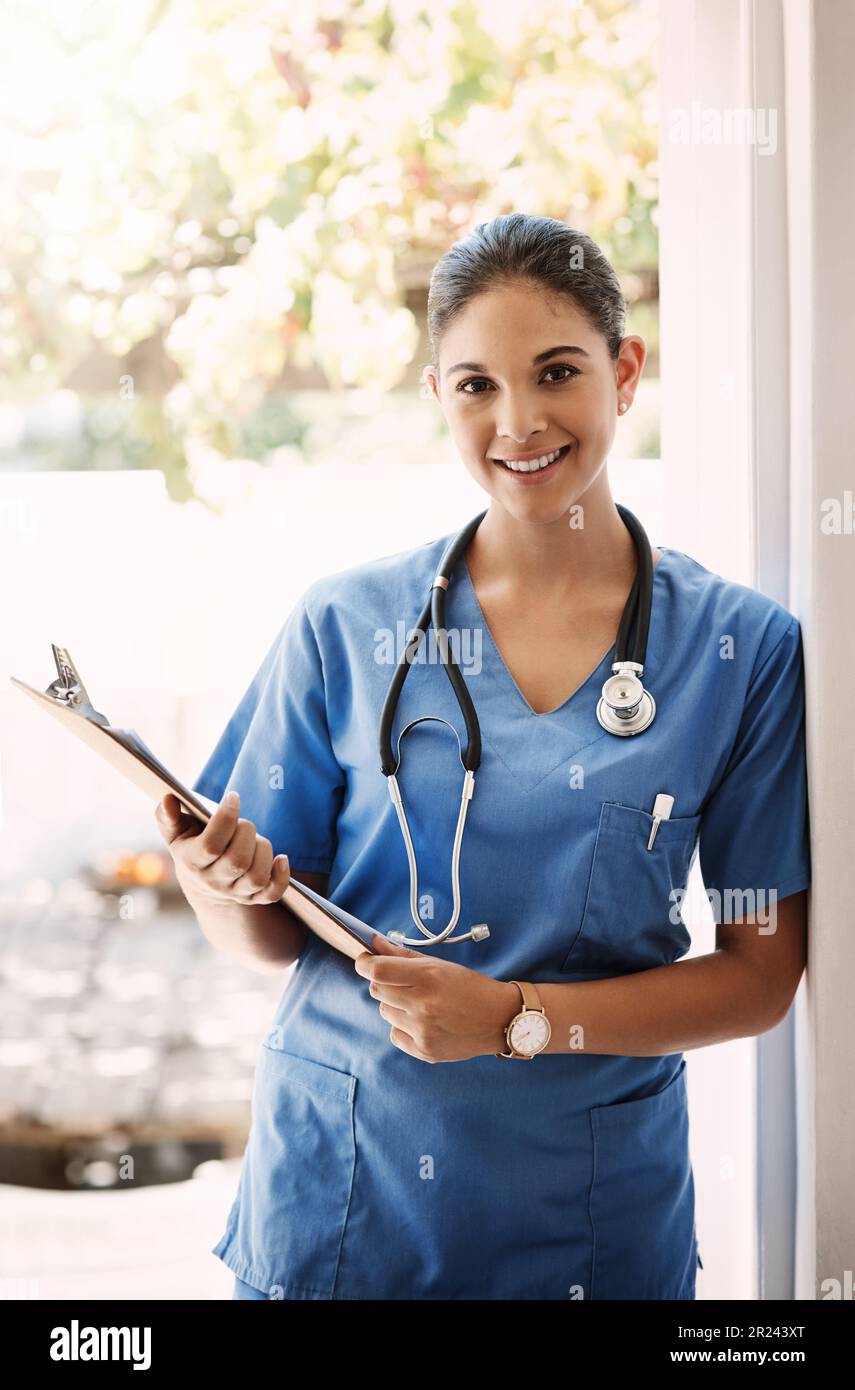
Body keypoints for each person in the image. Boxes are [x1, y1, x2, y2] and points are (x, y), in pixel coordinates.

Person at [155, 213, 810, 1301]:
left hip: (587, 1221)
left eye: (558, 372)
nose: (519, 421)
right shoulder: (344, 623)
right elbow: (270, 930)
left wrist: (517, 1020)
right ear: (437, 397)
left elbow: (758, 974)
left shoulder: (738, 650)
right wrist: (208, 880)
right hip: (343, 1198)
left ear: (625, 370)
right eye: (475, 386)